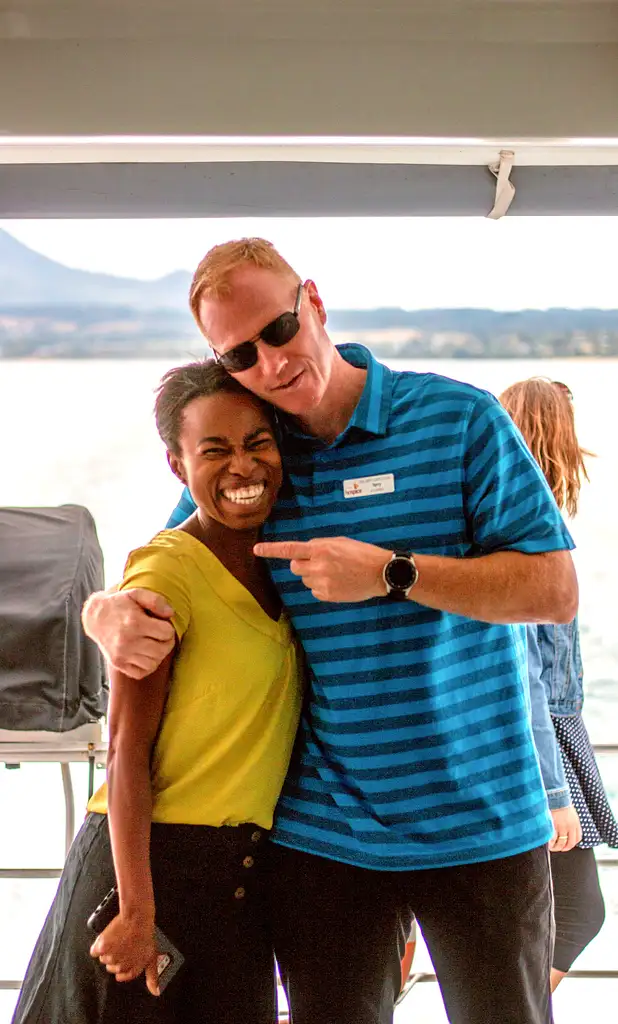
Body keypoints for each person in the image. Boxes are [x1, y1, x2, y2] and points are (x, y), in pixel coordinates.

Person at [83, 238, 579, 1024]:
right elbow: (169, 561)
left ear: (312, 300)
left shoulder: (459, 419)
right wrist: (101, 611)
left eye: (278, 330)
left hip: (483, 825)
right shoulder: (261, 458)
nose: (271, 364)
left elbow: (554, 590)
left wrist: (393, 570)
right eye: (239, 355)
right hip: (326, 839)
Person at [12, 360, 302, 1024]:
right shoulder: (168, 571)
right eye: (215, 450)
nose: (244, 467)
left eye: (258, 442)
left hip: (238, 881)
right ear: (178, 465)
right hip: (142, 868)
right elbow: (124, 753)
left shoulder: (284, 560)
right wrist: (137, 911)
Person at [500, 376, 618, 991]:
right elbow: (527, 675)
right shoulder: (527, 537)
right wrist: (552, 790)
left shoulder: (510, 526)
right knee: (574, 915)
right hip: (542, 755)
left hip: (544, 744)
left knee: (540, 921)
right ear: (556, 438)